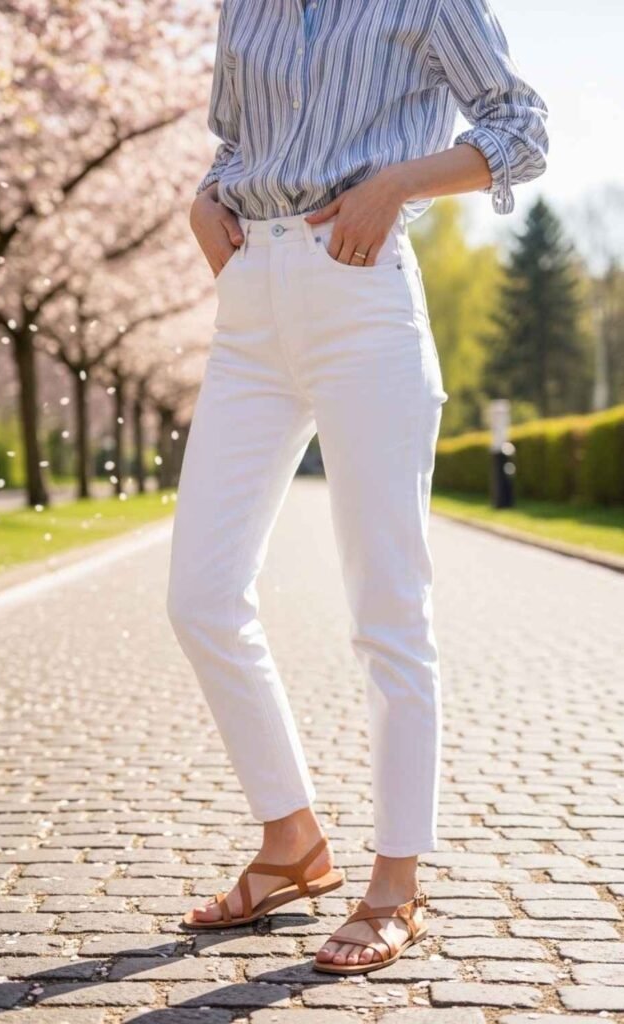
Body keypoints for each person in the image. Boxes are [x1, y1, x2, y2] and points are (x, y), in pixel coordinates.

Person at [167, 0, 548, 975]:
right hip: (251, 304)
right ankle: (290, 842)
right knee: (200, 596)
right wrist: (206, 199)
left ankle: (395, 883)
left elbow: (518, 127)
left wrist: (398, 185)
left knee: (387, 604)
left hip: (360, 288)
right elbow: (235, 140)